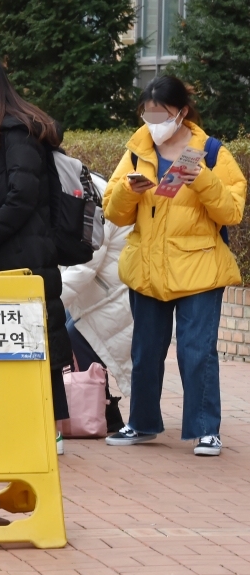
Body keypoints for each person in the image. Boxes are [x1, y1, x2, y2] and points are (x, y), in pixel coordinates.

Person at [103, 75, 247, 456]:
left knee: (196, 350)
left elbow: (231, 212)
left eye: (162, 114)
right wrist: (126, 191)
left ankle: (206, 429)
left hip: (199, 269)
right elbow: (114, 214)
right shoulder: (137, 150)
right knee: (146, 351)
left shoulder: (212, 152)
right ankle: (142, 423)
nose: (154, 122)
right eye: (148, 114)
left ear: (182, 112)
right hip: (148, 268)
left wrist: (202, 180)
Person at [0, 57, 72, 454]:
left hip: (23, 255)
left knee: (34, 339)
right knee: (7, 339)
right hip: (1, 252)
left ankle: (51, 428)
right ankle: (13, 421)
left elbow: (22, 196)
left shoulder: (17, 134)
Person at [60, 219, 134, 396]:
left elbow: (86, 265)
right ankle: (102, 410)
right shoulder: (85, 200)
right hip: (101, 296)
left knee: (76, 336)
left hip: (117, 295)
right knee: (68, 331)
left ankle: (100, 410)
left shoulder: (99, 204)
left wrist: (50, 301)